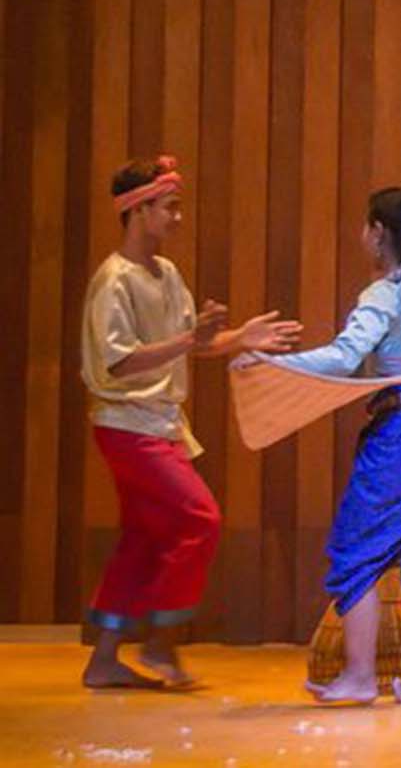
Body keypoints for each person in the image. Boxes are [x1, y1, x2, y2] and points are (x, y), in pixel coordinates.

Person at [81, 155, 301, 689]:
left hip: (158, 425)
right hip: (126, 424)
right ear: (138, 211)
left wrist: (239, 339)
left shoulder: (166, 274)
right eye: (170, 209)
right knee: (200, 518)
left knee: (143, 536)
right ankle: (160, 644)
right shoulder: (113, 281)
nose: (178, 219)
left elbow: (190, 345)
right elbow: (117, 361)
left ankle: (105, 659)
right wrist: (190, 341)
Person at [273, 187, 401, 706]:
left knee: (355, 549)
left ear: (378, 232)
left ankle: (359, 677)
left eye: (365, 227)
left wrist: (275, 365)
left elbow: (343, 358)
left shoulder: (383, 294)